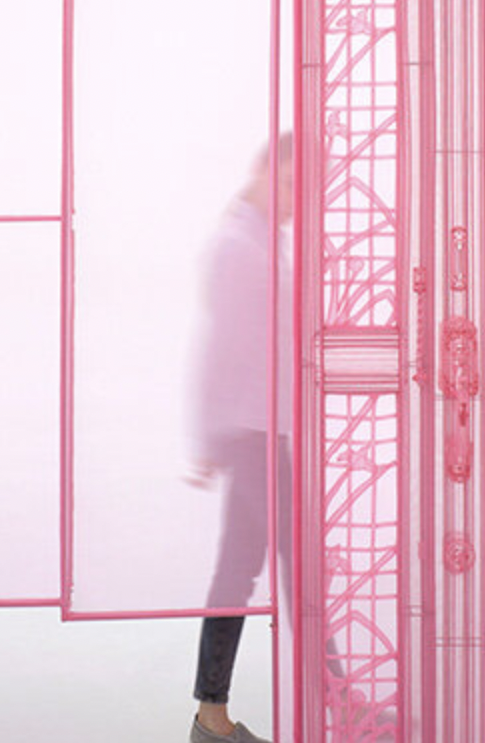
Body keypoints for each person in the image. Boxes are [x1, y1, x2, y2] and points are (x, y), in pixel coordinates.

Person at [187, 135, 293, 743]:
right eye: (289, 184)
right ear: (261, 171)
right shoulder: (239, 247)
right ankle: (336, 699)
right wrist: (209, 437)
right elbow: (218, 347)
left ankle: (211, 717)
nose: (294, 201)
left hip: (265, 430)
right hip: (251, 434)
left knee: (238, 572)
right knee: (296, 566)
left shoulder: (266, 242)